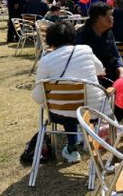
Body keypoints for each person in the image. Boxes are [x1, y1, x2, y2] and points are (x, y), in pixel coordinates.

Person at [32, 21, 107, 164]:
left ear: (50, 40)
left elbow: (37, 96)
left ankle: (72, 148)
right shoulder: (86, 50)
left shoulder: (45, 61)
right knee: (76, 104)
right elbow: (100, 70)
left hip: (61, 113)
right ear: (73, 36)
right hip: (92, 111)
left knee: (67, 106)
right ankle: (88, 139)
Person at [74, 2, 123, 120]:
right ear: (99, 18)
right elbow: (79, 61)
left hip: (110, 75)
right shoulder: (81, 36)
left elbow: (116, 55)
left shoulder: (109, 33)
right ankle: (101, 123)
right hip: (91, 79)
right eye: (109, 15)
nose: (112, 18)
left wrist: (121, 71)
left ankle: (109, 124)